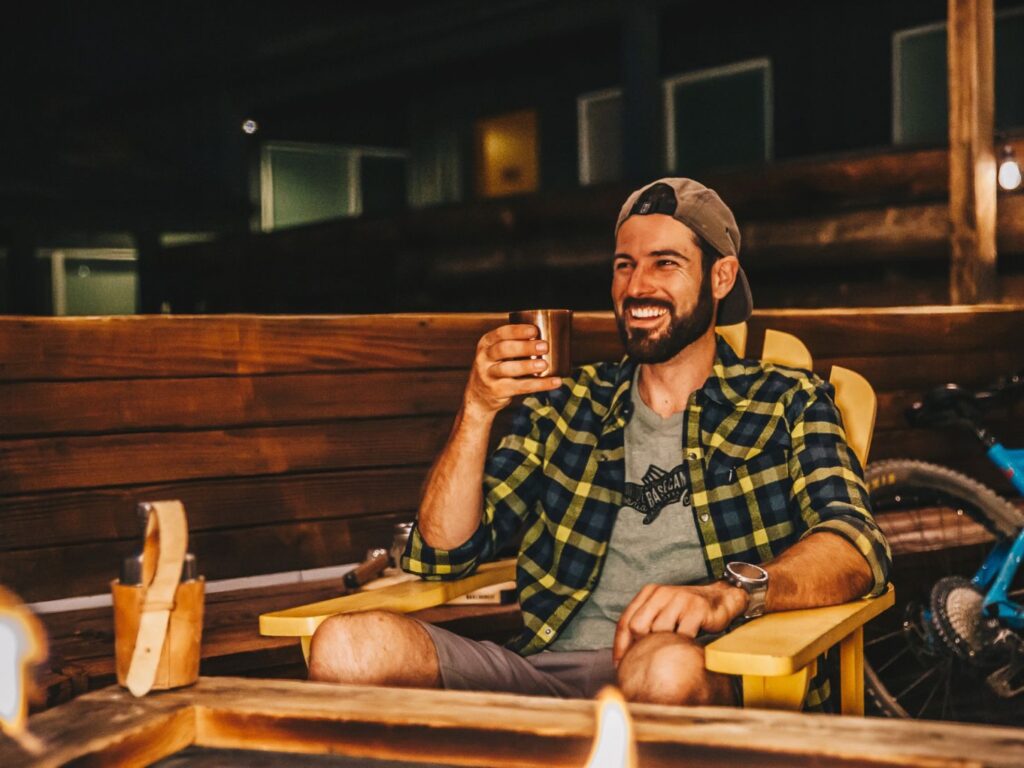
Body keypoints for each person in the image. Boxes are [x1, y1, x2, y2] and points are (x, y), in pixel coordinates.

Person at [308, 178, 891, 709]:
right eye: (624, 265)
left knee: (660, 666)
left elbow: (855, 545)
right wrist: (478, 410)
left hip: (695, 669)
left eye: (665, 263)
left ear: (721, 277)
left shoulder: (786, 400)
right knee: (348, 645)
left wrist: (731, 595)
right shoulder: (567, 406)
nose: (637, 286)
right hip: (540, 678)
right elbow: (444, 554)